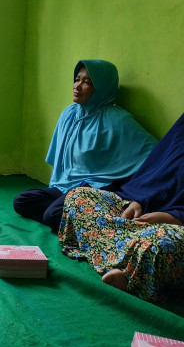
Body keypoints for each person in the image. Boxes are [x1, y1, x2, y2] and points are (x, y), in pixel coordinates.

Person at [13, 59, 157, 232]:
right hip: (67, 185)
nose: (78, 86)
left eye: (87, 82)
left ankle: (97, 222)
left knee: (53, 215)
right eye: (77, 79)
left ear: (102, 87)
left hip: (97, 186)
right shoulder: (70, 113)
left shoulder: (117, 120)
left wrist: (138, 194)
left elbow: (156, 154)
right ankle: (84, 221)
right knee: (22, 201)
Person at [58, 112, 184, 302]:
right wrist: (140, 199)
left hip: (173, 227)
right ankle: (127, 257)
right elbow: (159, 171)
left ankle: (128, 275)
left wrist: (172, 217)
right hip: (146, 209)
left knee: (157, 243)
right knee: (79, 196)